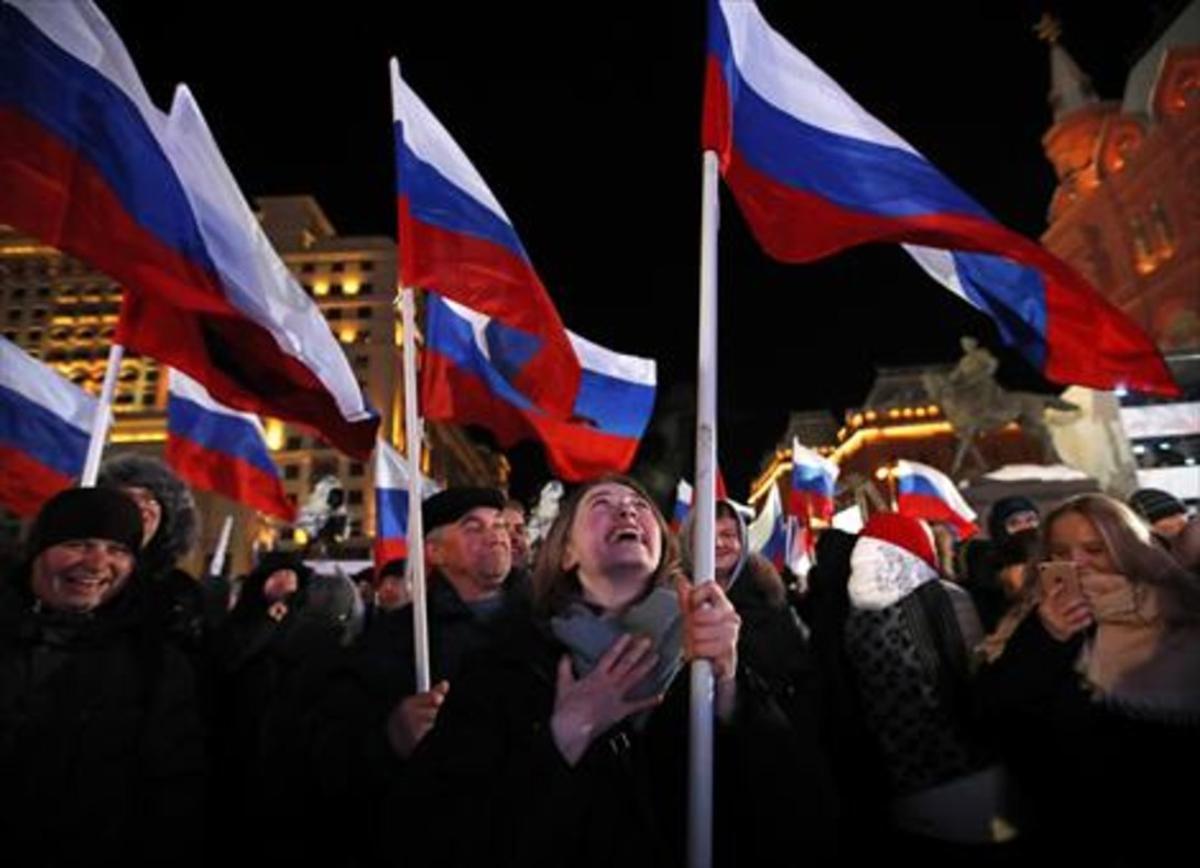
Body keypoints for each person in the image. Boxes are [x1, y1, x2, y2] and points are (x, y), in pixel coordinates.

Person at [399, 475, 831, 867]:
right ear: (566, 552)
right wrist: (561, 738)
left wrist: (731, 691)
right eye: (601, 504)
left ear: (662, 544)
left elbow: (797, 812)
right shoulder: (506, 667)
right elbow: (446, 835)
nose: (627, 510)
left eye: (640, 505)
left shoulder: (716, 649)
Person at [976, 494, 1200, 863]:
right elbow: (993, 713)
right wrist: (1045, 638)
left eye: (1095, 548)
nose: (1077, 563)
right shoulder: (1028, 619)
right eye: (1061, 550)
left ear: (1128, 549)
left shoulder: (1179, 610)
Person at [0, 488, 205, 866]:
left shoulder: (156, 662)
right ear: (39, 550)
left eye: (118, 551)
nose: (97, 564)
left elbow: (175, 790)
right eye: (79, 544)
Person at [841, 513, 1010, 857]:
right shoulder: (946, 596)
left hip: (901, 774)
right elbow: (973, 673)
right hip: (968, 766)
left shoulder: (853, 613)